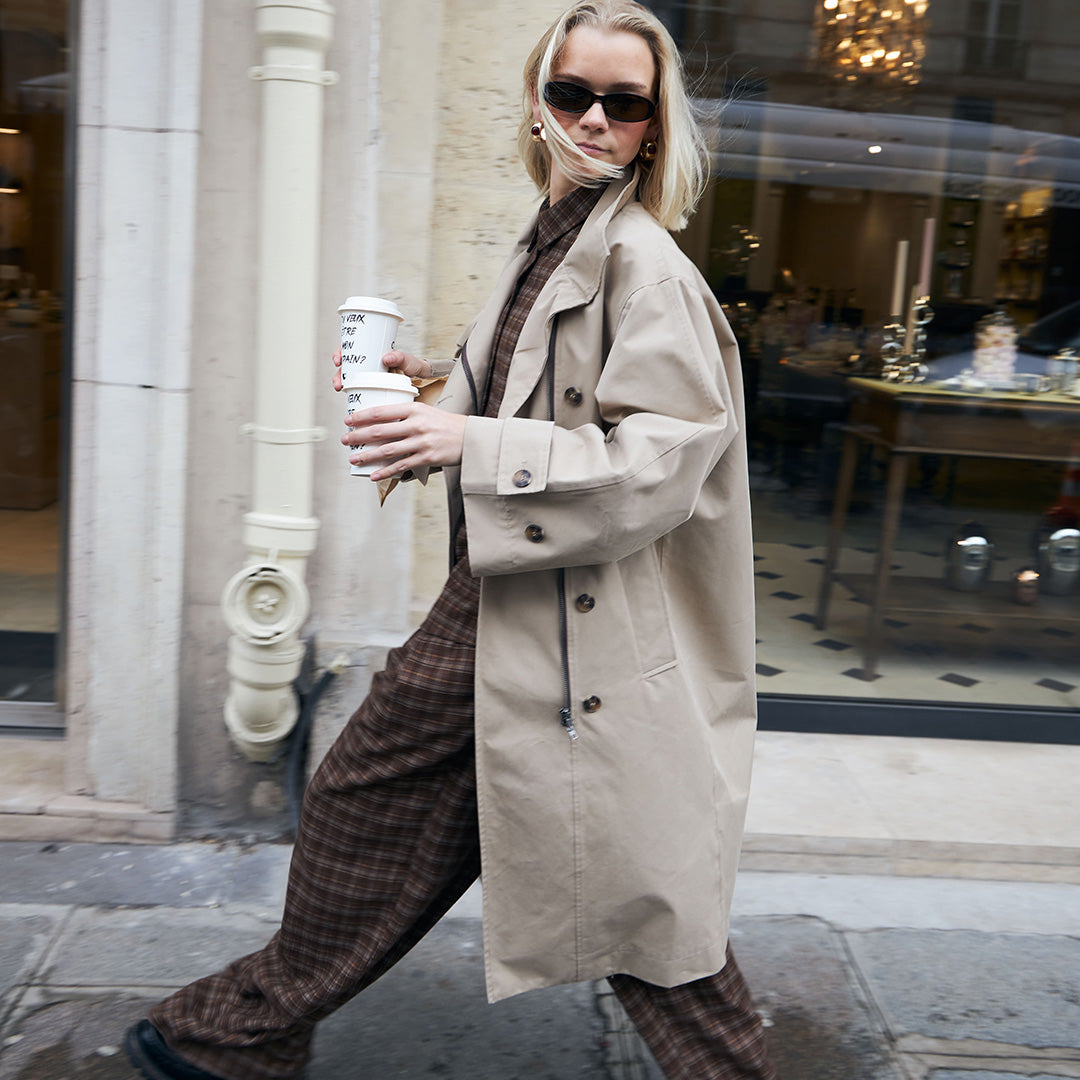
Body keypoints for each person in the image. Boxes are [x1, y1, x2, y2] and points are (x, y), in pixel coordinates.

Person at [124, 2, 777, 1078]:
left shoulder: (646, 265)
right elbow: (547, 396)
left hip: (563, 620)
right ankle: (241, 1037)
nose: (595, 120)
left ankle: (236, 1036)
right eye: (573, 93)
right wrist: (437, 387)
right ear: (538, 99)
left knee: (611, 881)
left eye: (625, 103)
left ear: (655, 127)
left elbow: (661, 459)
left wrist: (468, 435)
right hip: (515, 602)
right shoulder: (549, 233)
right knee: (565, 862)